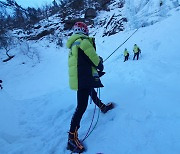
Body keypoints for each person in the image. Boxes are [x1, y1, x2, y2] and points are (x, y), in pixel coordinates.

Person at [66, 22, 114, 153]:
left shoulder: (74, 43)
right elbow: (95, 60)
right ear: (84, 31)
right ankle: (71, 137)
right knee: (81, 107)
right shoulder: (83, 42)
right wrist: (100, 64)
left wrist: (93, 71)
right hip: (84, 79)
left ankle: (102, 107)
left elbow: (83, 62)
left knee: (92, 93)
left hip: (80, 78)